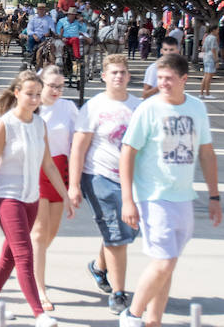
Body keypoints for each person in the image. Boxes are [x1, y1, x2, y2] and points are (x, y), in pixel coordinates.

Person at [119, 54, 221, 327]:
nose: (162, 84)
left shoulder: (197, 108)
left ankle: (154, 320)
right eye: (159, 78)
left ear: (184, 80)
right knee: (163, 263)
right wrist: (127, 200)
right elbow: (127, 153)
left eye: (168, 79)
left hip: (183, 196)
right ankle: (132, 315)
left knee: (167, 264)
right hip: (153, 195)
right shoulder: (148, 109)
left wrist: (214, 196)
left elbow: (207, 153)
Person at [0, 71, 72, 327]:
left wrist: (66, 196)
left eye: (38, 94)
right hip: (6, 197)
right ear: (17, 93)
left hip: (31, 198)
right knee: (24, 254)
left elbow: (48, 165)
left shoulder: (40, 125)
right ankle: (39, 313)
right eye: (29, 94)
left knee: (11, 253)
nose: (35, 99)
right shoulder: (4, 125)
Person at [69, 54, 141, 315]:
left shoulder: (139, 107)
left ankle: (99, 267)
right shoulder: (93, 107)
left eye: (122, 72)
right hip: (99, 177)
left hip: (131, 180)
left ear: (129, 76)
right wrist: (74, 185)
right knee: (116, 233)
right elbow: (78, 147)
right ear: (103, 76)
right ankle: (119, 294)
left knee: (126, 231)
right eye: (113, 73)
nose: (119, 76)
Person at [31, 67, 78, 312]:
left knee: (51, 231)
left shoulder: (68, 108)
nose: (57, 90)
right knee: (39, 233)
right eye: (52, 85)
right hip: (37, 170)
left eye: (61, 86)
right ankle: (39, 289)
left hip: (61, 170)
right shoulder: (33, 107)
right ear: (41, 83)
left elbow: (79, 139)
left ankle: (27, 260)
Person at [199, 25, 219, 99]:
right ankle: (207, 93)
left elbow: (203, 48)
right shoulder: (213, 38)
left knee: (205, 75)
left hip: (206, 57)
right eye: (217, 30)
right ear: (213, 30)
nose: (218, 32)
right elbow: (213, 49)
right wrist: (216, 60)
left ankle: (201, 93)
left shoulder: (207, 37)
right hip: (211, 58)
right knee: (209, 76)